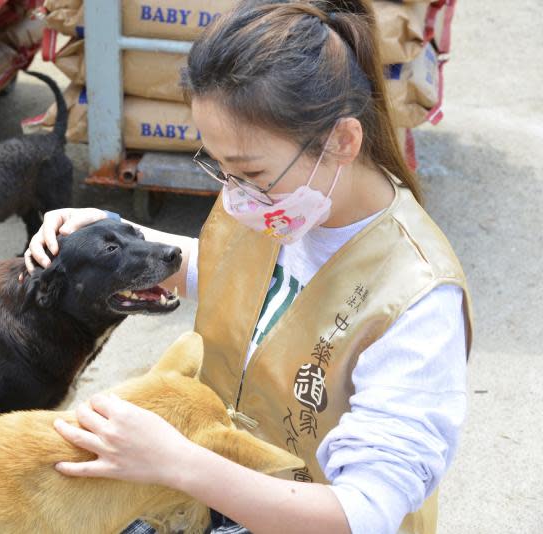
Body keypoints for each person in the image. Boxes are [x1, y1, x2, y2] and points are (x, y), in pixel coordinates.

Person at [24, 1, 472, 533]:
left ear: (343, 141)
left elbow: (361, 513)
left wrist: (176, 463)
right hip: (223, 484)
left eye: (248, 171)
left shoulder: (417, 301)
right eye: (220, 166)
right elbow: (229, 280)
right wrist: (110, 235)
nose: (233, 195)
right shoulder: (277, 200)